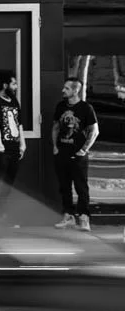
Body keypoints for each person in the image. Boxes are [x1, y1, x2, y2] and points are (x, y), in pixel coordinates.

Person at [52, 77, 99, 231]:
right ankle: (68, 216)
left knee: (81, 187)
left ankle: (84, 218)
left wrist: (83, 149)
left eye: (66, 88)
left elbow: (94, 131)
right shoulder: (60, 106)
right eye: (64, 87)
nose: (63, 90)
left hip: (78, 155)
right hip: (62, 153)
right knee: (64, 187)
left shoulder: (86, 108)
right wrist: (55, 147)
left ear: (75, 90)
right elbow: (56, 127)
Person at [0, 68, 26, 223]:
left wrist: (22, 145)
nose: (16, 87)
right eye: (13, 83)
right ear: (4, 84)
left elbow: (19, 124)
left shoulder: (14, 101)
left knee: (9, 182)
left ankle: (2, 212)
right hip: (1, 151)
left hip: (15, 149)